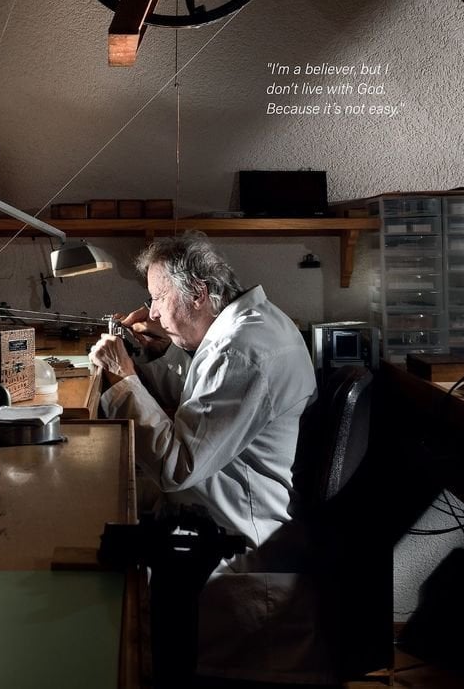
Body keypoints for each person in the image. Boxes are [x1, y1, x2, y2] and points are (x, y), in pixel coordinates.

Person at [89, 231, 339, 686]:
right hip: (223, 516)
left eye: (157, 299)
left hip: (235, 547)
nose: (153, 313)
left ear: (199, 294)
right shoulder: (245, 325)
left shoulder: (243, 350)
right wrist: (160, 352)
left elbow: (177, 467)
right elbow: (199, 403)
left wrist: (123, 379)